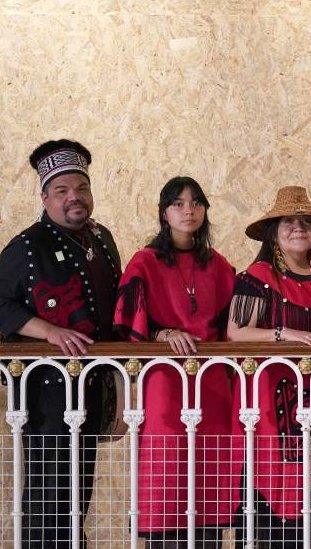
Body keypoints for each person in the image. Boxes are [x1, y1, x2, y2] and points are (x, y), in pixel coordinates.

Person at [0, 139, 121, 547]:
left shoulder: (102, 240)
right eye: (62, 190)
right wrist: (48, 331)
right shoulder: (26, 246)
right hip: (45, 394)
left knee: (78, 493)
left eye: (81, 188)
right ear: (44, 197)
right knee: (48, 496)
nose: (74, 198)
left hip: (93, 387)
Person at [226, 186, 311, 547]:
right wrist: (286, 333)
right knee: (271, 482)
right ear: (273, 232)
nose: (297, 228)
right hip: (270, 400)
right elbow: (235, 334)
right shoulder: (258, 276)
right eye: (288, 221)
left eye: (305, 222)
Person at [113, 176, 237, 547]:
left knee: (210, 475)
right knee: (165, 472)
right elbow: (126, 327)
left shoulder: (219, 265)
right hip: (165, 383)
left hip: (214, 386)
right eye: (178, 203)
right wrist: (162, 334)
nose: (188, 210)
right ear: (164, 213)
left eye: (196, 202)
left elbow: (236, 326)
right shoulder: (145, 262)